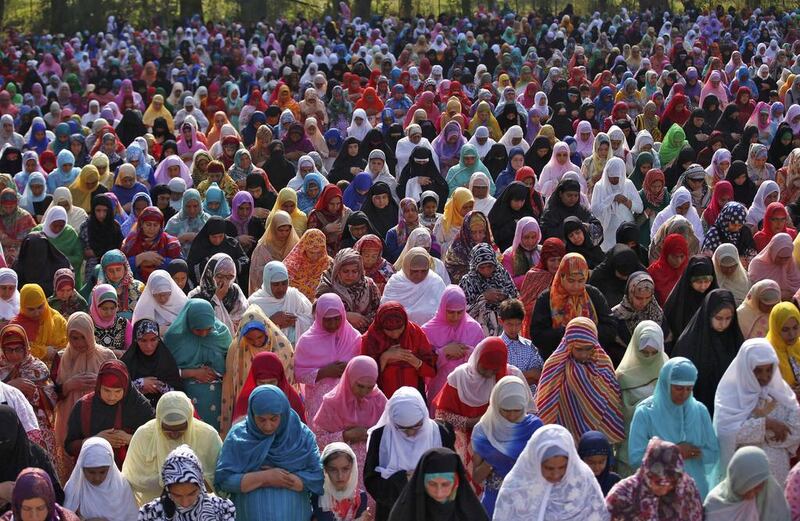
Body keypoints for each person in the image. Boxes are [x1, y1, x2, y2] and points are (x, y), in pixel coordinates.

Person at [214, 385, 324, 520]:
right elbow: (224, 480)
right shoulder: (238, 437)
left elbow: (317, 476)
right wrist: (265, 478)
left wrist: (285, 479)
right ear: (252, 414)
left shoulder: (300, 435)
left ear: (283, 414)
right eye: (261, 419)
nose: (268, 426)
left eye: (273, 419)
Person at [433, 337, 522, 490]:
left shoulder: (507, 378)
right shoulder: (459, 378)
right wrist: (471, 422)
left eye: (494, 370)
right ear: (477, 359)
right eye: (485, 368)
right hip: (462, 439)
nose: (488, 373)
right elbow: (441, 415)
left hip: (496, 440)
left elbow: (524, 413)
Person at [713, 338, 800, 486]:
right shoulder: (731, 395)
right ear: (746, 368)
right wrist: (766, 425)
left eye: (769, 369)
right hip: (745, 477)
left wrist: (754, 433)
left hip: (778, 476)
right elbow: (725, 432)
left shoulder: (781, 392)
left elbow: (795, 432)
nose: (765, 377)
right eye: (757, 370)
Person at [628, 357, 719, 498]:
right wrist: (675, 453)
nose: (684, 394)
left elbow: (713, 453)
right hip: (659, 495)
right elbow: (636, 459)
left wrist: (694, 453)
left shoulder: (699, 411)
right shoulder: (646, 413)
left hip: (694, 494)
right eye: (678, 388)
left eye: (689, 389)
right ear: (666, 384)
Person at [364, 387, 455, 521]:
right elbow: (371, 480)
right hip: (393, 512)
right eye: (402, 428)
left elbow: (453, 472)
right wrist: (403, 478)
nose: (410, 433)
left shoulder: (440, 433)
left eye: (417, 426)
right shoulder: (380, 437)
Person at [122, 391, 222, 506]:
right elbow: (131, 477)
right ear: (159, 422)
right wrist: (164, 479)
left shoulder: (208, 436)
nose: (174, 435)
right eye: (168, 430)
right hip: (155, 510)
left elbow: (220, 478)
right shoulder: (144, 436)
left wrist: (193, 479)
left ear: (189, 420)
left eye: (180, 429)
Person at [493, 424, 610, 520]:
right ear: (535, 462)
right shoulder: (516, 486)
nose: (556, 474)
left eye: (563, 467)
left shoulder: (583, 481)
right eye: (549, 468)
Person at [536, 316, 624, 442]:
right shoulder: (554, 365)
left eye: (588, 349)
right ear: (569, 344)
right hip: (563, 437)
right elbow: (545, 404)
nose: (583, 354)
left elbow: (612, 400)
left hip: (597, 442)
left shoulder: (603, 363)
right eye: (578, 349)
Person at [313, 356, 387, 496]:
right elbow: (317, 440)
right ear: (349, 378)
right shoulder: (332, 402)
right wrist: (345, 436)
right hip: (340, 473)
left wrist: (372, 434)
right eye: (360, 386)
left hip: (372, 470)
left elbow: (390, 435)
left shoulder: (379, 400)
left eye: (369, 387)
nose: (364, 392)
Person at [471, 375, 542, 517]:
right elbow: (477, 477)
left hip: (527, 501)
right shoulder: (484, 430)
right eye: (505, 410)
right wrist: (491, 461)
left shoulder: (534, 427)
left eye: (517, 410)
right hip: (495, 502)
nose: (511, 416)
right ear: (496, 404)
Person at [64, 360, 154, 468]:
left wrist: (130, 439)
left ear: (125, 389)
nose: (112, 397)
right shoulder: (84, 406)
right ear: (98, 386)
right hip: (94, 473)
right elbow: (69, 446)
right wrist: (96, 440)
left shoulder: (139, 406)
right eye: (106, 390)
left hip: (132, 473)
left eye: (117, 391)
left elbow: (154, 441)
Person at [220, 304, 294, 434]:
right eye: (250, 338)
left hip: (277, 403)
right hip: (247, 404)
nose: (256, 342)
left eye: (260, 337)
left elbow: (287, 380)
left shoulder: (282, 347)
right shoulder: (237, 349)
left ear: (267, 330)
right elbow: (230, 384)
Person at [529, 253, 616, 359]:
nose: (576, 286)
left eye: (580, 281)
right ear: (562, 276)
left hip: (591, 357)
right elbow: (537, 335)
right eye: (571, 280)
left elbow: (611, 327)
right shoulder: (547, 298)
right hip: (556, 359)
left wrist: (587, 333)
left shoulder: (593, 294)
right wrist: (568, 333)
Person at [294, 293, 362, 429]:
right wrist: (324, 372)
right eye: (327, 320)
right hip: (319, 404)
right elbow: (298, 374)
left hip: (350, 401)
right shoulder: (306, 342)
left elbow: (364, 370)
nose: (333, 324)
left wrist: (350, 368)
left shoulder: (354, 338)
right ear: (318, 317)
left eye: (337, 319)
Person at [163, 299, 232, 429]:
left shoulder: (221, 334)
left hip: (220, 397)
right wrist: (193, 373)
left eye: (208, 329)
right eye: (198, 330)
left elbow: (232, 364)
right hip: (186, 395)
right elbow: (165, 370)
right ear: (189, 323)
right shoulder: (175, 338)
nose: (204, 334)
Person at [672, 289, 744, 415]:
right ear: (708, 314)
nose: (723, 324)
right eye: (719, 318)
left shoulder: (734, 339)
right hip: (697, 409)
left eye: (728, 318)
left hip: (728, 408)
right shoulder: (689, 343)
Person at [0, 324, 59, 470]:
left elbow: (52, 397)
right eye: (9, 350)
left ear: (26, 347)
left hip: (36, 424)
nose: (14, 355)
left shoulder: (37, 368)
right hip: (5, 428)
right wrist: (10, 387)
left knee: (40, 465)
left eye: (19, 349)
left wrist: (36, 394)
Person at [605, 437, 704, 521]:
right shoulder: (623, 494)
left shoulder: (686, 488)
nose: (665, 488)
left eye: (672, 483)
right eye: (658, 482)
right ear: (647, 472)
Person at [420, 286, 484, 410]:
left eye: (460, 312)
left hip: (467, 389)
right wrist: (443, 352)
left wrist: (466, 352)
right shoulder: (428, 330)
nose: (455, 317)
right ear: (443, 308)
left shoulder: (474, 329)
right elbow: (423, 367)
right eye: (450, 312)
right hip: (439, 389)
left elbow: (482, 362)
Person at [386, 447, 488, 521]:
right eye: (432, 484)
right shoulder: (403, 514)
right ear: (422, 482)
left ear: (456, 483)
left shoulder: (472, 514)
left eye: (445, 484)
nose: (439, 493)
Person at [138, 444, 236, 520]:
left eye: (191, 493)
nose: (185, 503)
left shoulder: (222, 509)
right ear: (167, 490)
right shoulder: (150, 513)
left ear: (200, 485)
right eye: (177, 495)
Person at [361, 302, 437, 399]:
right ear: (380, 326)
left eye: (399, 328)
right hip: (382, 398)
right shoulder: (371, 339)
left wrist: (415, 362)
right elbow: (365, 377)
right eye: (389, 330)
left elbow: (431, 370)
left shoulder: (415, 334)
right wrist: (384, 358)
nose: (395, 334)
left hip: (413, 395)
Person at [704, 446, 791, 520]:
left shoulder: (770, 497)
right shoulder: (715, 505)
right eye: (746, 487)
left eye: (758, 487)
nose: (752, 494)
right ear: (736, 480)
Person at [63, 436, 139, 520]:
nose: (97, 478)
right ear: (82, 468)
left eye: (102, 472)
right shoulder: (75, 489)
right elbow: (66, 515)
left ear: (110, 469)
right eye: (91, 472)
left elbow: (133, 517)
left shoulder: (122, 486)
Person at [316, 248, 381, 333]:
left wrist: (363, 321)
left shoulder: (369, 286)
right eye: (345, 271)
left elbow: (378, 310)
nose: (350, 275)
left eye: (354, 271)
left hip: (366, 335)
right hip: (334, 335)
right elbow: (318, 311)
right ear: (337, 270)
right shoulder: (327, 286)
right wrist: (345, 316)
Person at [233, 352, 306, 426]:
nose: (267, 388)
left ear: (280, 380)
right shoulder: (246, 400)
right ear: (255, 381)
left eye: (272, 382)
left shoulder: (291, 400)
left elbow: (301, 432)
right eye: (261, 383)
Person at [248, 262, 313, 344]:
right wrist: (271, 321)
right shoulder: (255, 303)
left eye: (284, 283)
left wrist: (295, 322)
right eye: (276, 284)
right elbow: (248, 332)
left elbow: (312, 319)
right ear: (267, 282)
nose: (281, 288)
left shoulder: (294, 296)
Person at [662, 255, 718, 346]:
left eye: (707, 281)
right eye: (698, 282)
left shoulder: (714, 299)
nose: (703, 286)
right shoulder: (677, 302)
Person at [381, 247, 446, 325]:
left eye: (424, 271)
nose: (419, 275)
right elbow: (385, 311)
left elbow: (446, 311)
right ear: (406, 267)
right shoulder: (395, 283)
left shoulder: (435, 282)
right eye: (414, 271)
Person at [187, 253, 248, 334]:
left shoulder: (235, 292)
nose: (224, 282)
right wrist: (217, 299)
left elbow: (244, 319)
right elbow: (201, 324)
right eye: (219, 276)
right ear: (210, 274)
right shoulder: (195, 296)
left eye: (229, 277)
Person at [312, 442, 371, 521]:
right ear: (325, 470)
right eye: (333, 470)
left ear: (352, 468)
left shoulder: (360, 497)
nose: (340, 476)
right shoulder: (320, 496)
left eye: (345, 469)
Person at [11, 283, 67, 363]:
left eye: (40, 307)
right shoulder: (16, 327)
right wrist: (43, 351)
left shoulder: (57, 320)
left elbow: (68, 345)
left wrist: (57, 354)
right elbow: (11, 350)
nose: (37, 313)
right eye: (31, 309)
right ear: (23, 306)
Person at [248, 210, 300, 294]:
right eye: (281, 230)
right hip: (268, 292)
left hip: (291, 292)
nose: (284, 234)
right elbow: (255, 272)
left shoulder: (295, 246)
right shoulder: (263, 248)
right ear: (274, 229)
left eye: (287, 230)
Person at [1, 467, 79, 521]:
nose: (34, 517)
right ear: (17, 507)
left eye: (40, 508)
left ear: (49, 506)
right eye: (26, 509)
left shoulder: (66, 518)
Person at [131, 270, 188, 335]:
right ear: (151, 293)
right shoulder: (143, 308)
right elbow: (139, 332)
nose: (162, 299)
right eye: (157, 295)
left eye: (165, 294)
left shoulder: (183, 305)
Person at [284, 228, 333, 301]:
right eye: (311, 252)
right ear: (304, 249)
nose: (315, 256)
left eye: (319, 252)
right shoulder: (292, 264)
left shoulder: (329, 265)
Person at [89, 283, 132, 356]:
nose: (109, 312)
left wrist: (116, 352)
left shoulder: (123, 323)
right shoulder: (88, 324)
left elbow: (132, 350)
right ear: (96, 306)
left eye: (112, 308)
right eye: (104, 308)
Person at [578, 430, 621, 495]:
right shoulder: (575, 482)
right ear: (581, 460)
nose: (597, 467)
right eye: (591, 462)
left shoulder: (615, 483)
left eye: (601, 462)